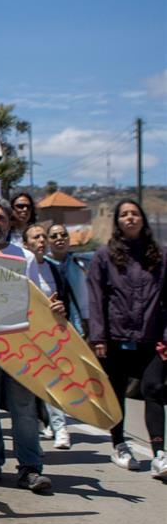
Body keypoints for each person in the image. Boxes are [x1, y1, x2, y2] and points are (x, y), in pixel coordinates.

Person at [0, 196, 55, 493]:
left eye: (1, 218)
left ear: (10, 223)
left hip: (20, 348)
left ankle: (30, 468)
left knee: (25, 410)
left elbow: (40, 303)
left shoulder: (25, 258)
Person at [87, 199, 167, 474]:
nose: (130, 218)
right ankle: (119, 444)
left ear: (143, 219)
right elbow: (96, 300)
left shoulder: (160, 256)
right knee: (116, 391)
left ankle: (160, 453)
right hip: (114, 338)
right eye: (124, 215)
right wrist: (98, 338)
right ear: (118, 222)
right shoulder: (103, 257)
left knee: (154, 389)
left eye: (135, 214)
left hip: (150, 337)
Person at [22, 224, 73, 450]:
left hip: (52, 334)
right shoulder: (21, 266)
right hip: (27, 335)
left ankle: (61, 428)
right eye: (36, 237)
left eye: (44, 236)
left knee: (55, 381)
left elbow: (65, 300)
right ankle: (39, 427)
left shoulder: (54, 269)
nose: (41, 241)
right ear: (26, 244)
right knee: (32, 385)